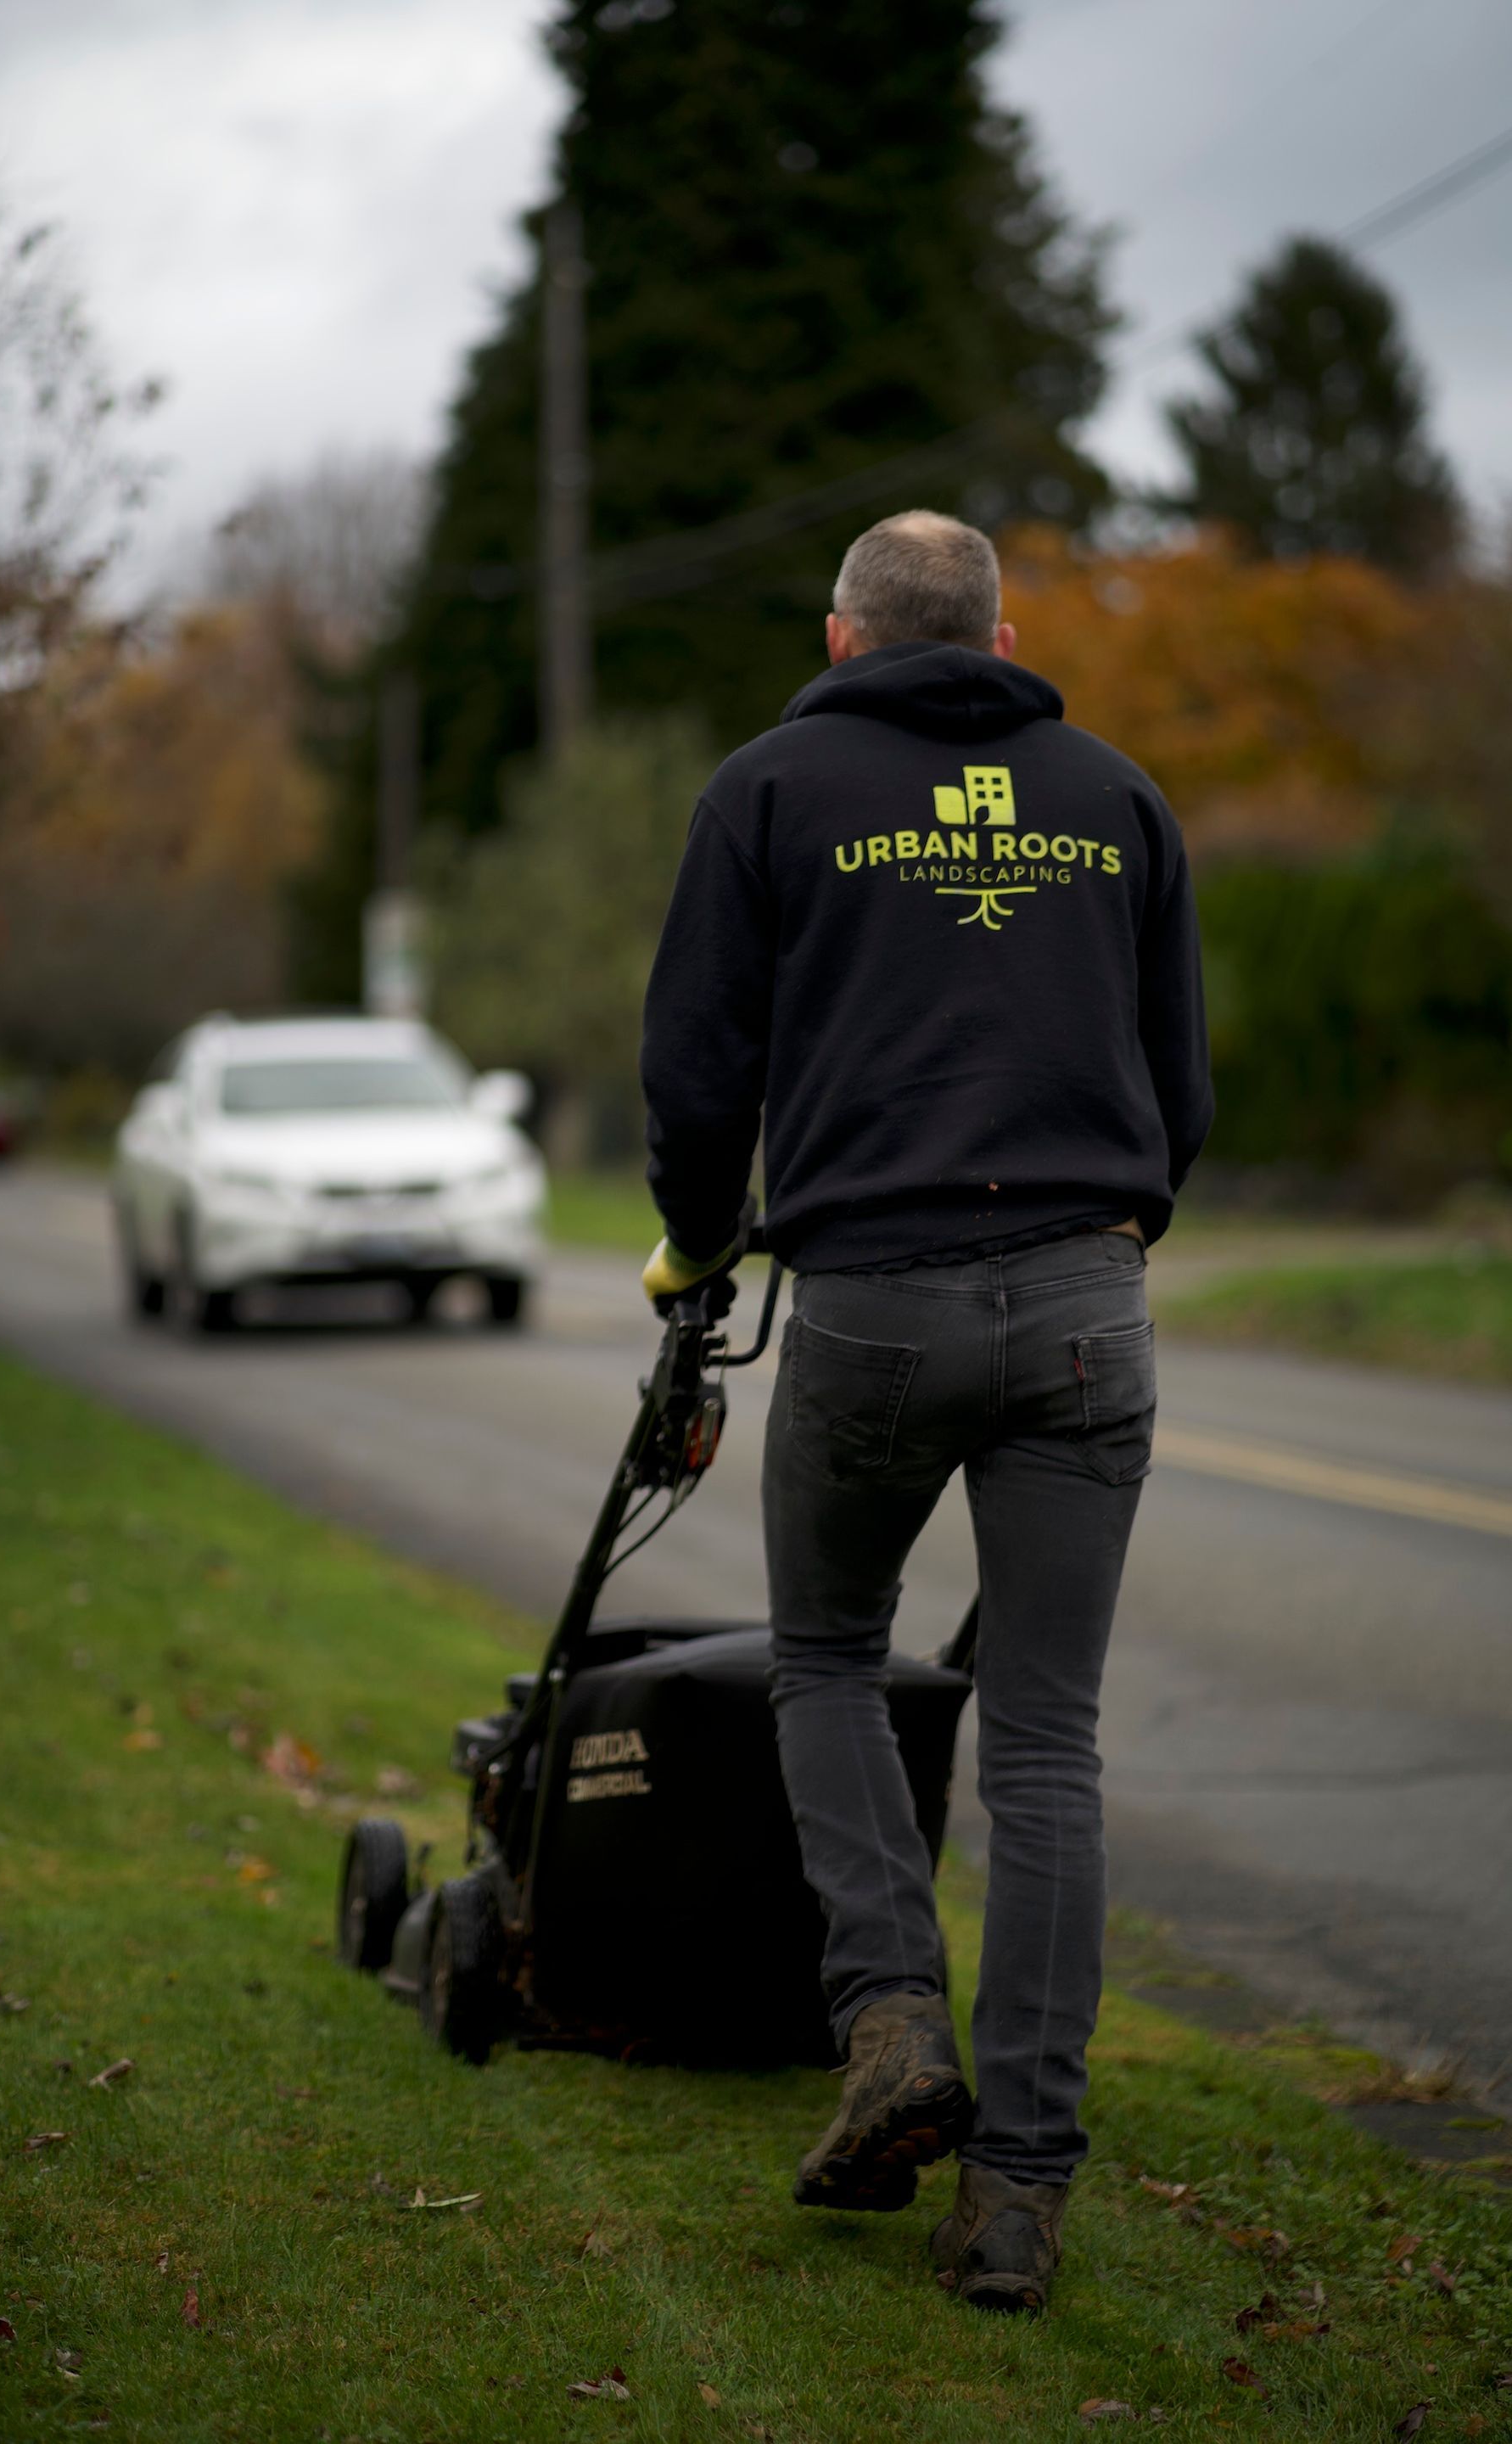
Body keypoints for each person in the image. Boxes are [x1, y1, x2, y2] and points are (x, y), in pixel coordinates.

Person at [639, 511, 1212, 2315]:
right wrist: (1107, 1232)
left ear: (840, 638)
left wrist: (695, 1244)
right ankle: (1021, 2195)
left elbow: (695, 1065)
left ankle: (891, 2021)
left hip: (871, 1308)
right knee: (1045, 1745)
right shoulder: (1116, 798)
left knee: (827, 1659)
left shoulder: (770, 790)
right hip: (1083, 1306)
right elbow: (1176, 1079)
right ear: (1005, 627)